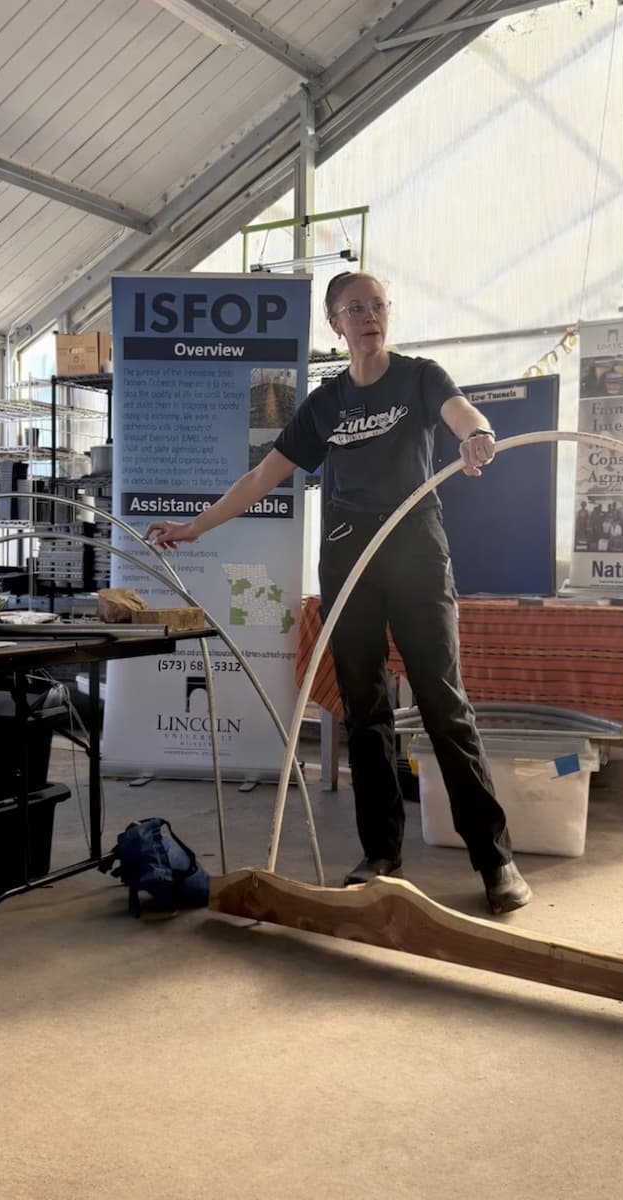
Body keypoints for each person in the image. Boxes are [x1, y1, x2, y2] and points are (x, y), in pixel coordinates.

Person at [147, 270, 532, 914]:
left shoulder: (419, 377)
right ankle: (381, 854)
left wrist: (475, 436)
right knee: (365, 711)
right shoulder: (323, 405)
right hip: (349, 561)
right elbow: (261, 477)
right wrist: (192, 528)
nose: (370, 315)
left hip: (415, 558)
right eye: (356, 308)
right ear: (336, 323)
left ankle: (495, 859)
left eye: (378, 304)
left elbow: (463, 414)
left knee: (443, 704)